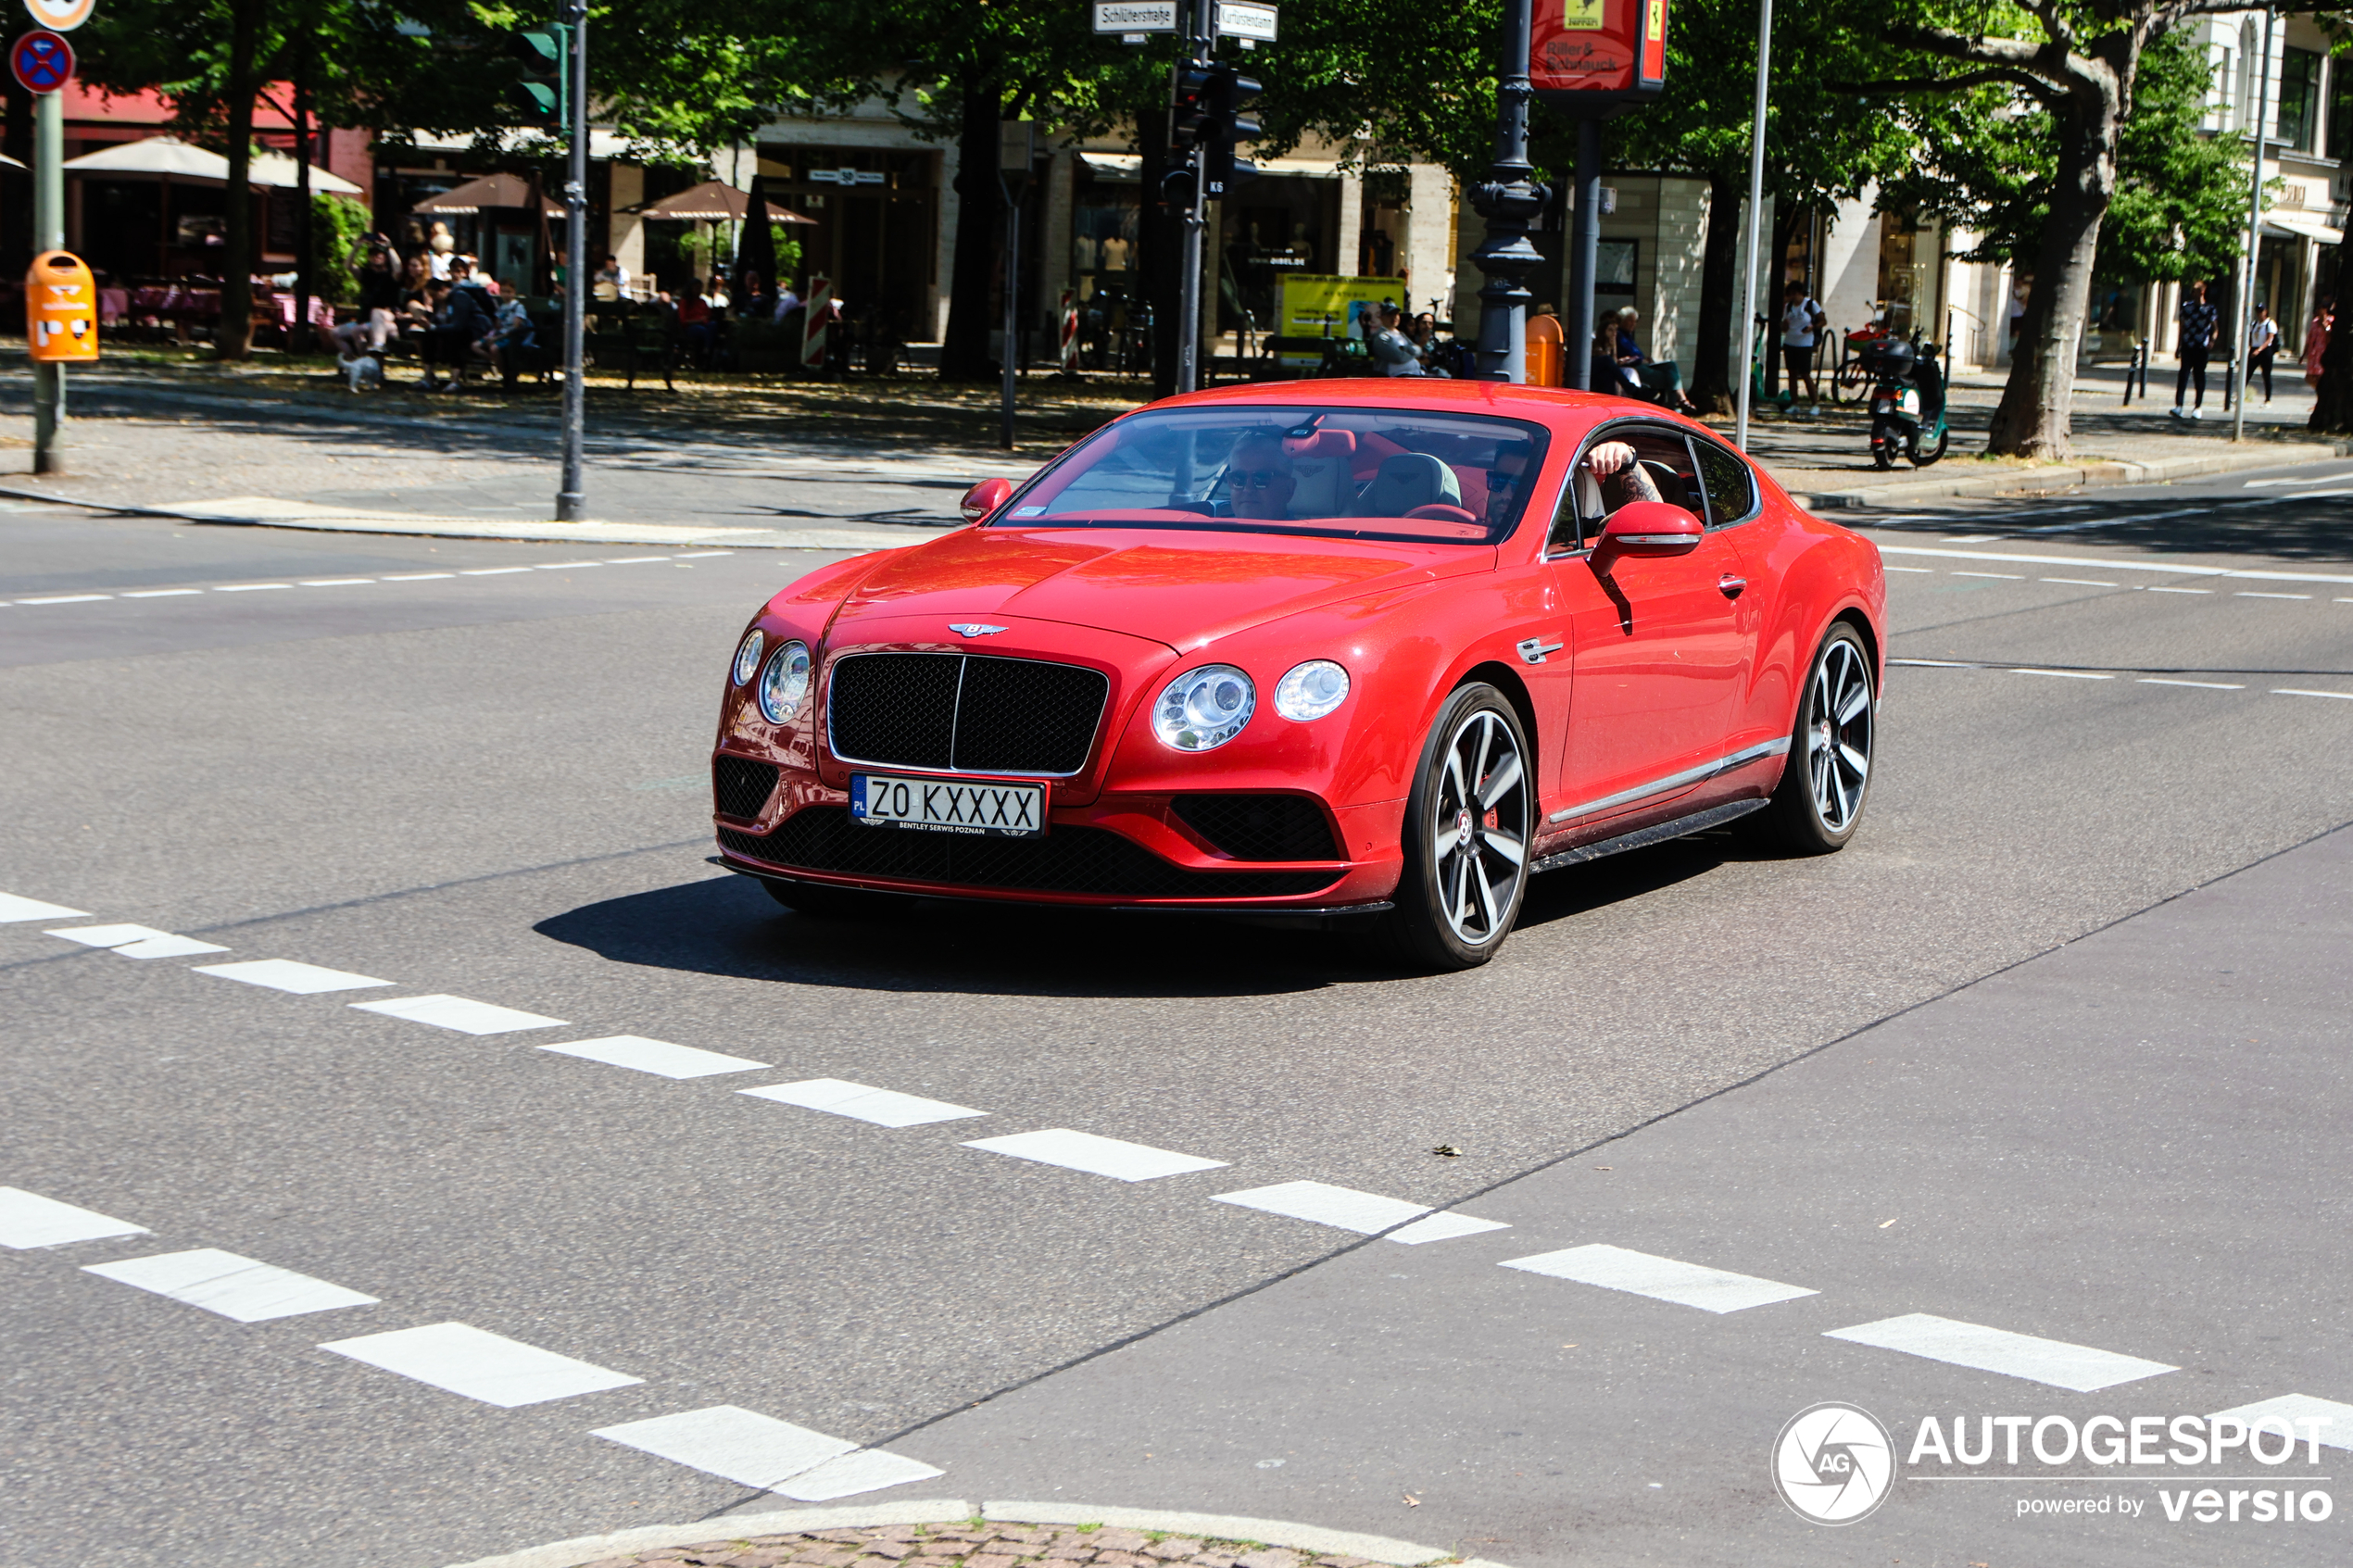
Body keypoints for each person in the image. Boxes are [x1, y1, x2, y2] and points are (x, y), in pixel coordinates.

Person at [1614, 306, 1698, 413]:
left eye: (1634, 322)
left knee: (1671, 366)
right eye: (1630, 321)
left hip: (1643, 363)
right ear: (1623, 320)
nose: (1632, 324)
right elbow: (1626, 356)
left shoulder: (1628, 336)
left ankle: (1678, 401)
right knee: (1670, 378)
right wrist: (1639, 359)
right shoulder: (1619, 335)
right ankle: (1677, 404)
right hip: (1633, 367)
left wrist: (1644, 359)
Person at [1222, 433, 1296, 521]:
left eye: (1261, 478)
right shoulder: (1210, 530)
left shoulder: (1306, 534)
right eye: (1238, 478)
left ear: (1289, 489)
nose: (1248, 489)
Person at [2173, 279, 2219, 420]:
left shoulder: (2209, 309)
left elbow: (2215, 328)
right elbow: (2182, 327)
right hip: (2188, 344)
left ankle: (2198, 407)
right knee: (2183, 375)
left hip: (2201, 346)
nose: (2192, 293)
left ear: (2202, 292)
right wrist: (2179, 345)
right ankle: (2179, 405)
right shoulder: (2187, 307)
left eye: (2195, 291)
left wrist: (2212, 341)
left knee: (2199, 376)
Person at [1780, 280, 1825, 414]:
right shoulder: (1788, 307)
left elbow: (1823, 320)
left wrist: (1813, 327)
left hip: (1805, 343)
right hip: (1790, 342)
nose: (1792, 297)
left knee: (1805, 373)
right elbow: (1783, 328)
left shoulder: (1811, 304)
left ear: (1799, 293)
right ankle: (1794, 403)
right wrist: (1785, 324)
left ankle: (1815, 403)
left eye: (1794, 294)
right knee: (1792, 374)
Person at [1365, 301, 1427, 376]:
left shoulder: (1401, 334)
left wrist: (1406, 350)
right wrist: (1410, 350)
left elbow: (1418, 351)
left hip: (1414, 374)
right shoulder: (1381, 337)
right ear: (1382, 317)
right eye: (1390, 314)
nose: (1394, 317)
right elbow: (1399, 357)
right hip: (1396, 377)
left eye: (1396, 314)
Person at [676, 278, 716, 363]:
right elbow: (683, 321)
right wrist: (698, 320)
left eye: (700, 288)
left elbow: (708, 315)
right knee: (703, 331)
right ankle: (706, 351)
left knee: (713, 325)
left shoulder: (702, 302)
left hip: (704, 324)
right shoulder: (685, 302)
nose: (698, 290)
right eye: (696, 288)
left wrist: (706, 318)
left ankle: (708, 349)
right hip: (690, 327)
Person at [2247, 302, 2279, 403]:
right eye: (2258, 311)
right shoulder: (2254, 324)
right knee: (2247, 373)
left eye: (2261, 311)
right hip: (2254, 349)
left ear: (2266, 311)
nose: (2259, 313)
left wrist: (2259, 350)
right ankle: (2239, 394)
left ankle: (2268, 398)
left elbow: (2269, 339)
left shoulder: (2270, 323)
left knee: (2266, 375)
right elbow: (2251, 336)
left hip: (2265, 351)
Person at [2305, 296, 2333, 389]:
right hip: (2313, 353)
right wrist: (2305, 352)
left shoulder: (2331, 321)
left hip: (2323, 352)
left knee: (2320, 376)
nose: (2318, 310)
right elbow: (2310, 337)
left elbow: (2330, 336)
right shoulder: (2314, 321)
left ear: (2325, 309)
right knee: (2309, 377)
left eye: (2320, 308)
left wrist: (2325, 327)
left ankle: (2320, 397)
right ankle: (2319, 394)